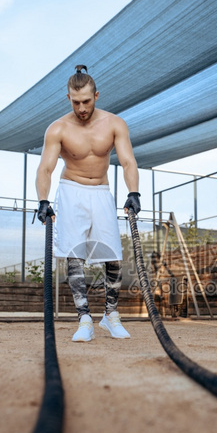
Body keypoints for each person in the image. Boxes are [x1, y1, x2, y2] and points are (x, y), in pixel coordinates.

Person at [36, 65, 141, 342]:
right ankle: (84, 318)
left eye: (86, 101)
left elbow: (128, 160)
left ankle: (110, 315)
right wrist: (43, 200)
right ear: (68, 98)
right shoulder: (58, 128)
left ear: (96, 95)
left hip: (102, 191)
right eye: (75, 102)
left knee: (114, 256)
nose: (81, 108)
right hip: (71, 191)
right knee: (74, 255)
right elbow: (45, 168)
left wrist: (134, 192)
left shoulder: (115, 123)